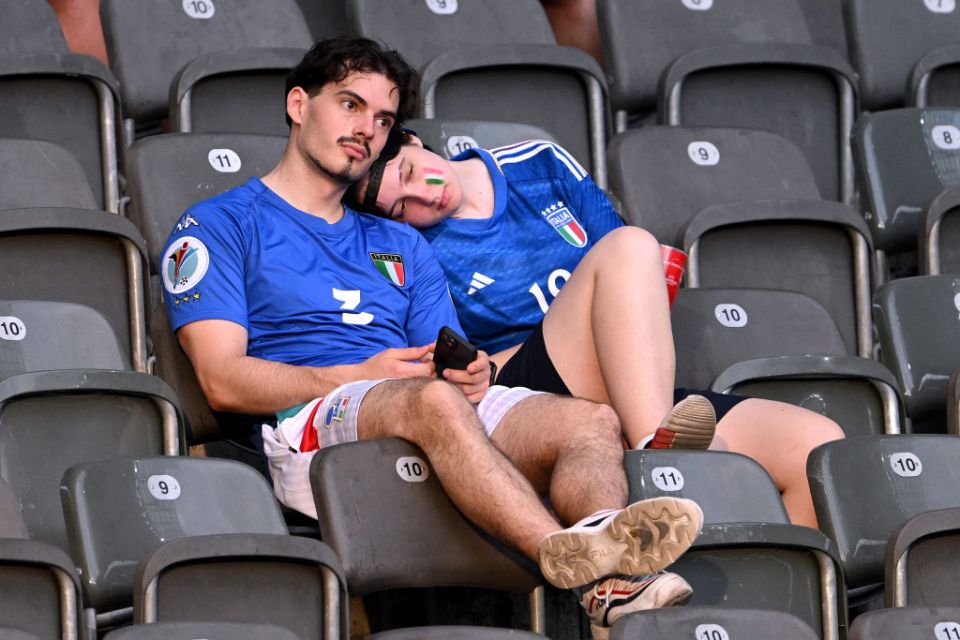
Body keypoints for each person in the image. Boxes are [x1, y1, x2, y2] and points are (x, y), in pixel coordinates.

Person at [160, 37, 704, 638]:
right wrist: (364, 375)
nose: (366, 128)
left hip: (420, 404)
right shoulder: (218, 224)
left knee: (590, 421)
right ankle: (582, 569)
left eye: (383, 119)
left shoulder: (402, 243)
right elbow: (220, 379)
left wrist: (467, 373)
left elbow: (439, 363)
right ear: (298, 104)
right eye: (349, 105)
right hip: (305, 426)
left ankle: (610, 570)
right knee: (431, 400)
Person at [345, 130, 846, 529]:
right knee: (628, 246)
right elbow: (448, 366)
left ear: (413, 140)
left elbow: (636, 289)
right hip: (525, 395)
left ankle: (757, 607)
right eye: (400, 206)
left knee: (815, 445)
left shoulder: (538, 162)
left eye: (411, 172)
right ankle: (660, 450)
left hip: (623, 381)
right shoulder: (407, 248)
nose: (423, 197)